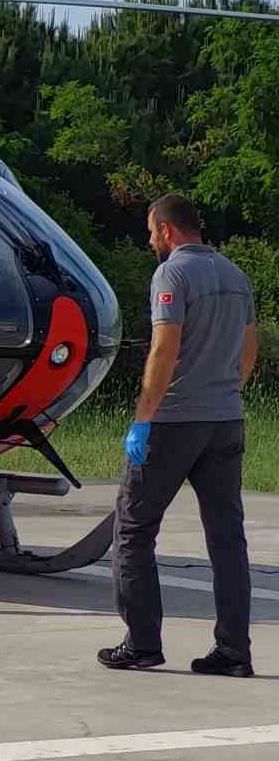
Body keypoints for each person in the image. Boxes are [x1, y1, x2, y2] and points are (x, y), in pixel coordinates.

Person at [99, 194, 259, 677]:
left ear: (167, 231)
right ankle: (233, 651)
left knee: (134, 530)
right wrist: (224, 392)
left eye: (151, 231)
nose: (150, 240)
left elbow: (164, 350)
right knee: (227, 539)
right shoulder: (237, 276)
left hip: (174, 422)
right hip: (225, 420)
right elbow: (248, 350)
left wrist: (143, 419)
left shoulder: (172, 274)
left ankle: (142, 643)